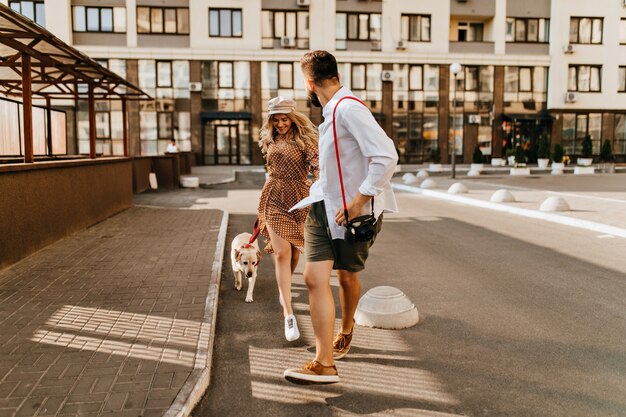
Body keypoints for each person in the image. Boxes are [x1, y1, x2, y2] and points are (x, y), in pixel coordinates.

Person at [283, 50, 398, 384]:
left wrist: (359, 200)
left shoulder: (348, 108)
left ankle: (346, 328)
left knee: (347, 277)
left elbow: (386, 156)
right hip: (323, 207)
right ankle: (324, 362)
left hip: (352, 215)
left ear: (309, 83)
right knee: (313, 278)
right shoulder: (332, 111)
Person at [257, 96, 319, 342]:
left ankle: (284, 292)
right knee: (282, 253)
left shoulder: (305, 140)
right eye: (276, 120)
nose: (281, 124)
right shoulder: (269, 137)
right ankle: (288, 312)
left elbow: (317, 166)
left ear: (293, 118)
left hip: (299, 198)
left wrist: (320, 181)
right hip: (273, 196)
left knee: (294, 254)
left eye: (284, 119)